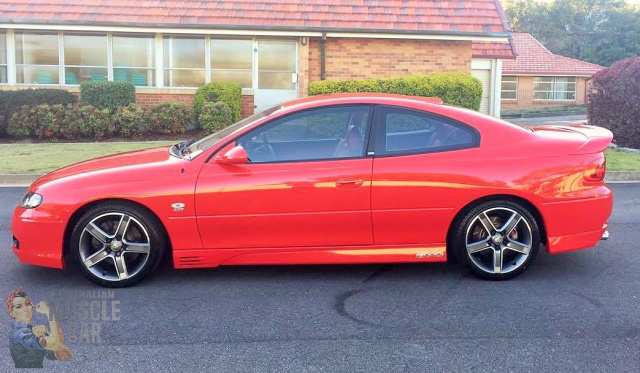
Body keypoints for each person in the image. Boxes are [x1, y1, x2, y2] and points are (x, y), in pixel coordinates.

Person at [6, 288, 72, 368]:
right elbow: (56, 342)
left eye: (28, 304)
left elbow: (66, 356)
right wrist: (49, 312)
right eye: (19, 307)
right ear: (12, 313)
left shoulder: (33, 331)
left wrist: (47, 336)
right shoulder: (19, 334)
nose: (26, 309)